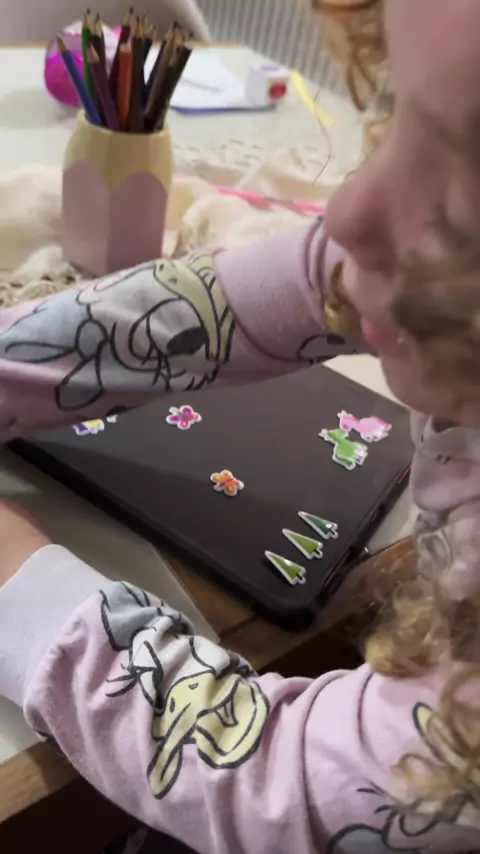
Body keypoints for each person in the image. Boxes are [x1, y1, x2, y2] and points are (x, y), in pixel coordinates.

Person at [1, 0, 480, 851]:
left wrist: (13, 579)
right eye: (396, 116)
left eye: (460, 194)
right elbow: (235, 301)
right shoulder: (395, 249)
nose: (347, 211)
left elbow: (277, 784)